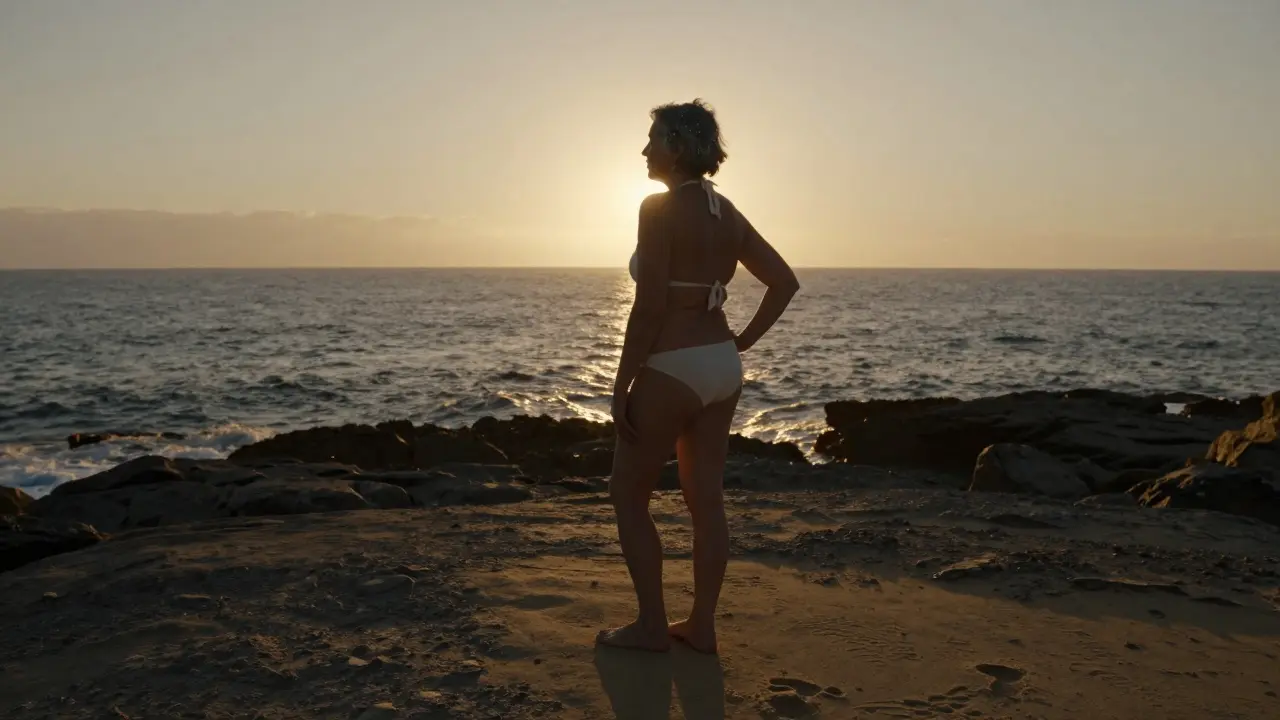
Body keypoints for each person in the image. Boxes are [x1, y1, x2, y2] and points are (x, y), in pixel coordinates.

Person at [597, 99, 799, 654]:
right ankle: (702, 626)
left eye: (653, 139)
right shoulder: (726, 211)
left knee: (627, 493)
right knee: (706, 500)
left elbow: (648, 308)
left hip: (672, 366)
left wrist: (620, 384)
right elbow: (784, 282)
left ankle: (650, 628)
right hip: (721, 367)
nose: (644, 149)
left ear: (678, 147)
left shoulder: (656, 209)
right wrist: (744, 342)